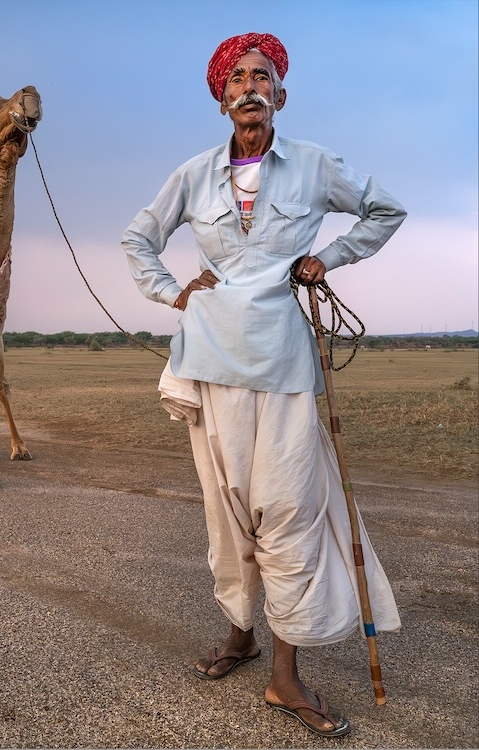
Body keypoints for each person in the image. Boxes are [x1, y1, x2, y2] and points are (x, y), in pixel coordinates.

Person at [122, 32, 405, 738]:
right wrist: (173, 292)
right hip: (207, 360)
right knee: (229, 512)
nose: (251, 86)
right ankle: (241, 633)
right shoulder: (191, 174)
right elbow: (139, 238)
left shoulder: (313, 166)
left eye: (264, 76)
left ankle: (285, 676)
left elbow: (384, 210)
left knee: (289, 511)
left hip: (282, 365)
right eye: (238, 77)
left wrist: (327, 258)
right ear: (222, 99)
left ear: (281, 95)